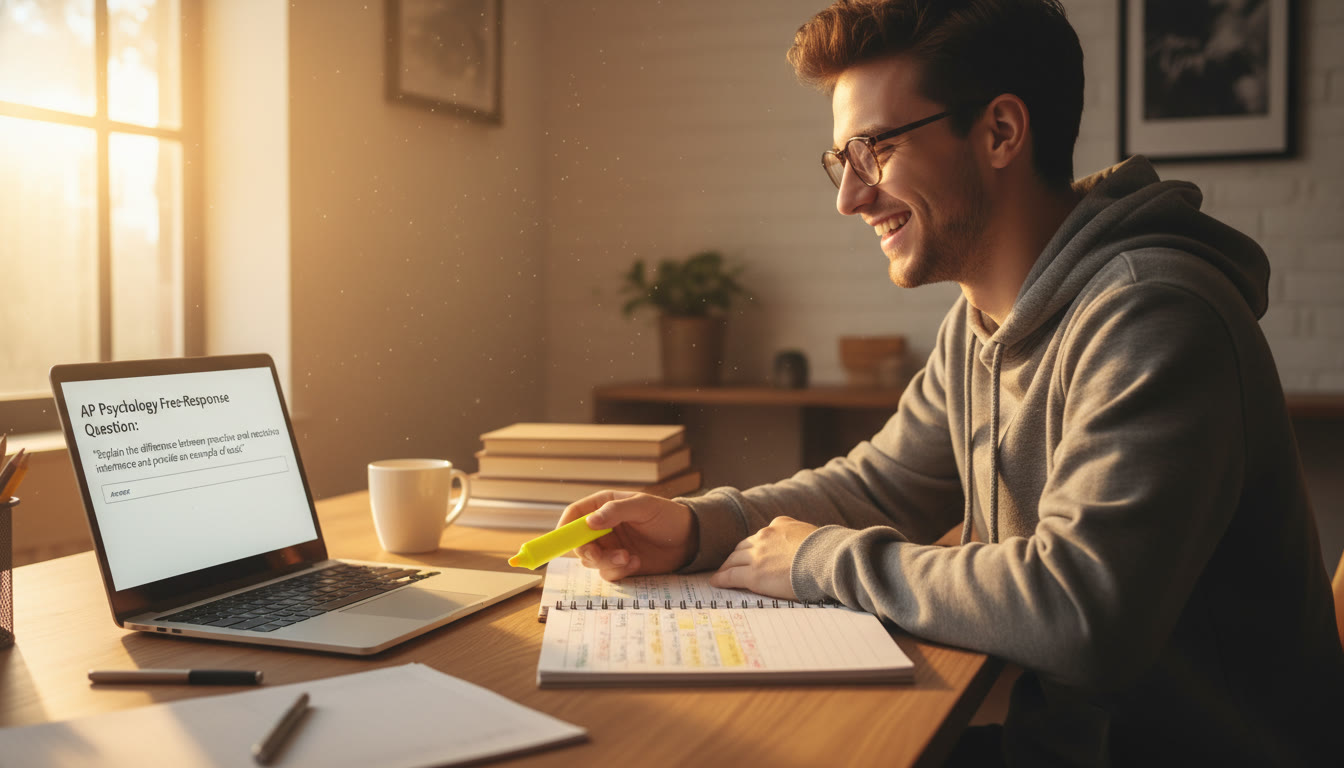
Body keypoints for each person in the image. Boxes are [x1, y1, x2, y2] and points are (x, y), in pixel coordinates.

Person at [560, 1, 1344, 764]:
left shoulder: (1154, 314)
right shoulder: (980, 322)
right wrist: (699, 527)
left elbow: (1081, 611)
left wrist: (816, 561)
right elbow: (881, 487)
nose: (849, 197)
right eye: (842, 159)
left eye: (875, 149)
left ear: (1000, 130)